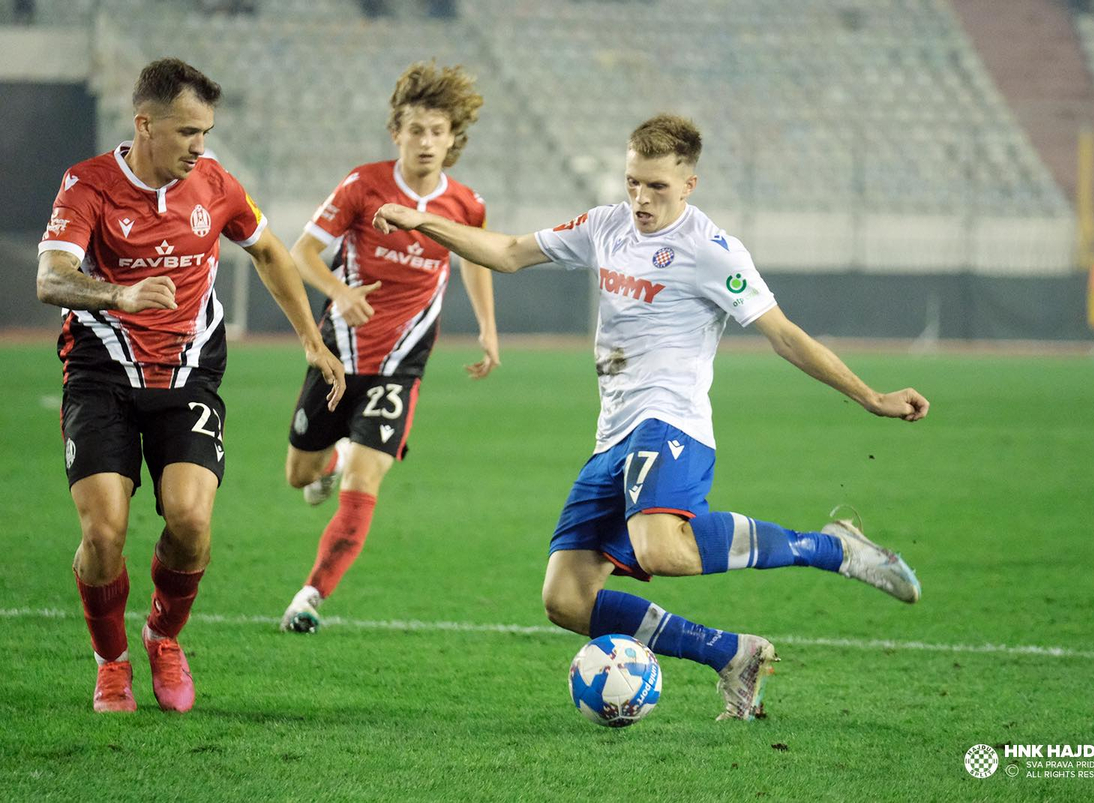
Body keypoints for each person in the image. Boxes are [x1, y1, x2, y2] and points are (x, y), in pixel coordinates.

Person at [372, 114, 929, 721]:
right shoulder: (604, 223)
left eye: (657, 187)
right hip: (612, 434)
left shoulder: (711, 251)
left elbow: (785, 336)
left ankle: (834, 550)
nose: (640, 197)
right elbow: (507, 252)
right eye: (633, 181)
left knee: (660, 549)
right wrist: (424, 220)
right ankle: (732, 654)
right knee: (566, 599)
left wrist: (871, 396)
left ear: (689, 184)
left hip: (671, 422)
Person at [35, 58, 345, 713]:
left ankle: (162, 636)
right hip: (100, 376)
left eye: (205, 132)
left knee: (191, 519)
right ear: (145, 125)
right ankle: (111, 662)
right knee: (103, 533)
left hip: (188, 374)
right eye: (186, 133)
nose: (199, 146)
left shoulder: (215, 185)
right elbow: (51, 279)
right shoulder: (86, 186)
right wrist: (120, 293)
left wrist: (311, 340)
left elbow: (268, 252)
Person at [279, 61, 498, 633]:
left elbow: (476, 259)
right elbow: (301, 253)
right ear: (396, 132)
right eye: (415, 130)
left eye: (437, 131)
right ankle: (331, 460)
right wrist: (338, 291)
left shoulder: (466, 204)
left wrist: (488, 328)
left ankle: (309, 596)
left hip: (400, 368)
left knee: (365, 483)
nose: (426, 142)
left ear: (453, 139)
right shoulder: (362, 185)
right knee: (299, 477)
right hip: (336, 357)